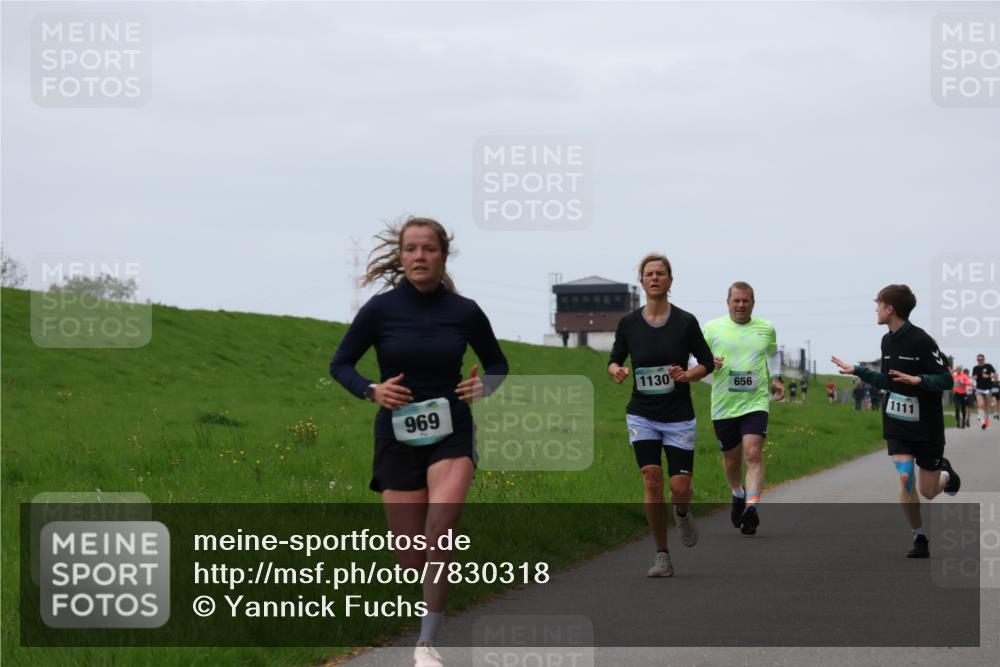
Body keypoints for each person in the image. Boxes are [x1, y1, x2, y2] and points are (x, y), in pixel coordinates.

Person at [330, 217, 509, 667]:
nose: (419, 257)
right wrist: (372, 390)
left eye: (428, 249)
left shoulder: (465, 310)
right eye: (411, 249)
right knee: (410, 554)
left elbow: (497, 364)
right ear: (401, 256)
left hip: (452, 428)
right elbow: (341, 364)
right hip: (397, 433)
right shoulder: (380, 309)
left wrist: (483, 386)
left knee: (441, 530)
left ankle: (427, 643)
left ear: (442, 256)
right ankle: (419, 610)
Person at [832, 284, 959, 559]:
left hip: (927, 425)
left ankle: (946, 477)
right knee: (905, 477)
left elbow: (947, 380)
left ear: (890, 309)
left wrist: (920, 380)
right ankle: (919, 537)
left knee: (928, 491)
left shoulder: (922, 341)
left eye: (878, 304)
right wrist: (859, 371)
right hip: (897, 421)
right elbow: (888, 380)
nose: (875, 309)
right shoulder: (886, 341)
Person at [608, 253, 715, 577]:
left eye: (661, 273)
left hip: (679, 416)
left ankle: (682, 514)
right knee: (652, 479)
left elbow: (707, 362)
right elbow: (614, 358)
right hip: (642, 413)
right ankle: (662, 555)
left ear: (670, 280)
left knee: (679, 487)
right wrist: (617, 370)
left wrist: (688, 375)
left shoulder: (685, 321)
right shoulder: (628, 323)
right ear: (641, 281)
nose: (654, 278)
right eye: (649, 273)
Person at [703, 281, 784, 536]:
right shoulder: (712, 328)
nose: (740, 305)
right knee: (731, 459)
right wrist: (708, 362)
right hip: (724, 404)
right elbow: (695, 357)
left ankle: (751, 507)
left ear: (753, 302)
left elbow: (772, 354)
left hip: (755, 401)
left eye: (745, 301)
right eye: (736, 301)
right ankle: (738, 493)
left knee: (753, 453)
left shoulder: (766, 328)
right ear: (728, 302)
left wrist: (777, 377)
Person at [970, 354, 996, 429]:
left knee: (986, 406)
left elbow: (995, 375)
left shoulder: (989, 366)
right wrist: (974, 378)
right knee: (981, 404)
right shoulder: (975, 368)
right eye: (978, 360)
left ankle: (986, 420)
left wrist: (988, 376)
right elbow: (974, 377)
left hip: (988, 388)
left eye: (981, 359)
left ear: (984, 359)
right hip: (979, 388)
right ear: (977, 360)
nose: (980, 361)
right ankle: (982, 422)